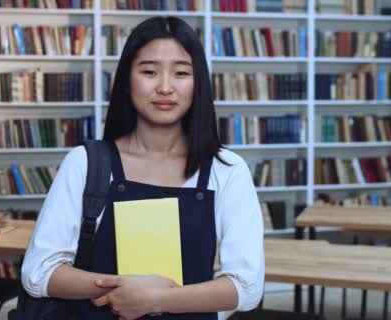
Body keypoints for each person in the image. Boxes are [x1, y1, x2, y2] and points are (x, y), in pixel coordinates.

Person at [21, 16, 264, 320]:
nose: (165, 87)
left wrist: (154, 300)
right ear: (126, 80)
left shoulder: (226, 170)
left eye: (181, 73)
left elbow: (247, 288)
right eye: (149, 71)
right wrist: (125, 288)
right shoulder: (86, 163)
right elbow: (38, 274)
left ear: (197, 82)